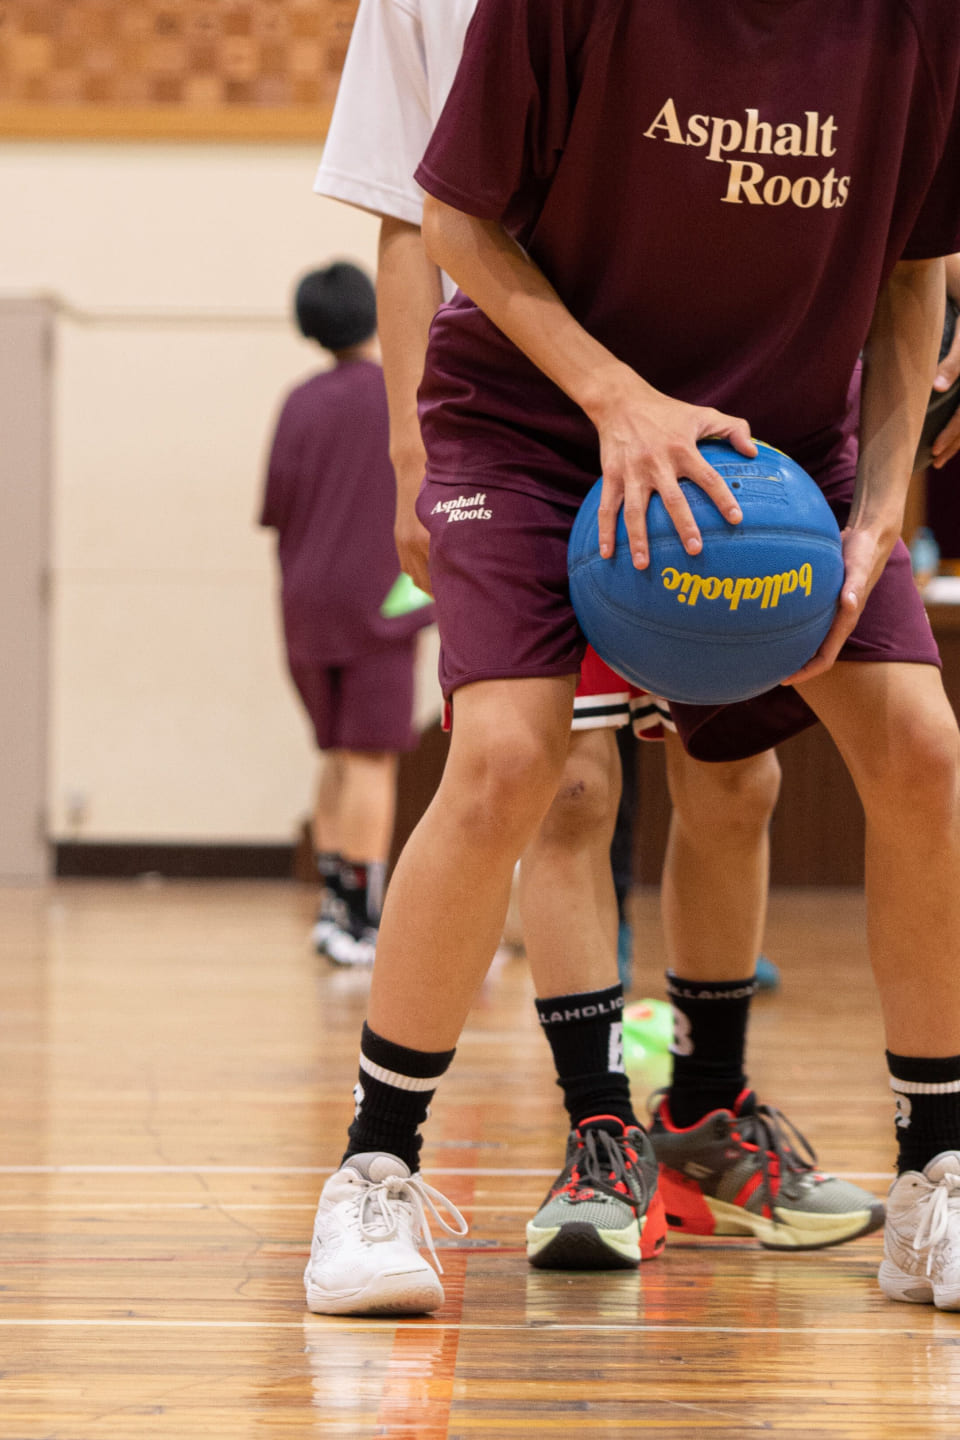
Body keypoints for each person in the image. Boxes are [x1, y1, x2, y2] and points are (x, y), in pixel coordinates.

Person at [303, 1, 886, 1319]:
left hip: (724, 425)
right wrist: (411, 454)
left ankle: (703, 1110)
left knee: (734, 786)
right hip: (532, 423)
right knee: (552, 783)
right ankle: (591, 1124)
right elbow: (411, 217)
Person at [260, 263, 434, 968]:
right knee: (371, 759)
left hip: (303, 606)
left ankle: (335, 909)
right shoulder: (404, 397)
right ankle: (364, 923)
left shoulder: (298, 403)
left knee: (336, 755)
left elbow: (274, 511)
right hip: (382, 604)